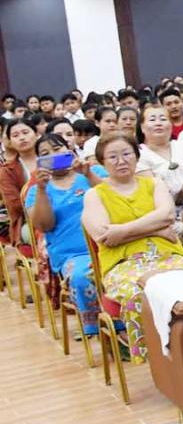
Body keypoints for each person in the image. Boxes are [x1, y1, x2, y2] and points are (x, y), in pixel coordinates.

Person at [82, 134, 183, 359]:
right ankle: (154, 356)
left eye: (126, 154)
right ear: (102, 162)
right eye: (112, 157)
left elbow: (167, 215)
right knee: (140, 294)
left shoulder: (154, 184)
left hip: (167, 254)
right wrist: (155, 229)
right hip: (123, 263)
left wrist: (122, 230)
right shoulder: (95, 195)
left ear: (136, 156)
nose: (121, 161)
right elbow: (104, 236)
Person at [25, 135, 102, 341]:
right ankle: (102, 328)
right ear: (39, 161)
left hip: (108, 243)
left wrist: (88, 174)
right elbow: (44, 225)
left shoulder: (93, 172)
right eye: (45, 154)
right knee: (82, 277)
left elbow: (115, 200)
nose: (53, 155)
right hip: (72, 255)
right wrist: (42, 189)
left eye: (57, 149)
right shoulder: (36, 191)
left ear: (69, 149)